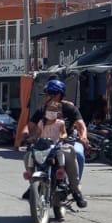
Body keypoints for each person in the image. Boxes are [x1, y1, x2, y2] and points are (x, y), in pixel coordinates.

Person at [26, 78, 89, 208]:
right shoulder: (42, 110)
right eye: (47, 94)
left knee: (78, 153)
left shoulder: (70, 108)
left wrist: (83, 137)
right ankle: (33, 183)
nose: (47, 97)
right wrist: (25, 135)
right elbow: (31, 126)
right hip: (45, 144)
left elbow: (81, 125)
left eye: (50, 94)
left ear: (58, 94)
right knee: (28, 155)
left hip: (67, 141)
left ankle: (75, 189)